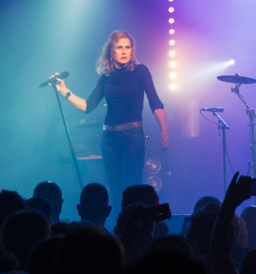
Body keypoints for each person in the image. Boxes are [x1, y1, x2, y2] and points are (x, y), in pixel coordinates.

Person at [51, 31, 169, 205]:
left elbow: (155, 101)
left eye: (127, 47)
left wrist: (164, 130)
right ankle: (116, 229)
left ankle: (132, 229)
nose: (123, 51)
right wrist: (64, 92)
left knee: (132, 187)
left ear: (132, 51)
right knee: (115, 190)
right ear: (111, 51)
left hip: (133, 136)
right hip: (109, 139)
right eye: (119, 47)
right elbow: (87, 106)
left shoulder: (140, 71)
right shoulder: (105, 78)